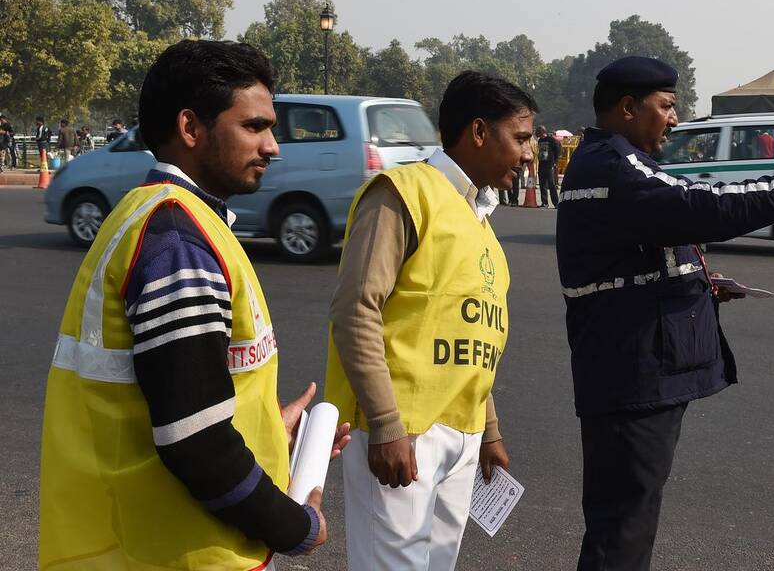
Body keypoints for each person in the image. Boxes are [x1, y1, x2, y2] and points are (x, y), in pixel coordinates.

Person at [556, 56, 774, 570]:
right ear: (626, 108)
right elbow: (708, 206)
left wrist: (697, 282)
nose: (676, 118)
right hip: (632, 375)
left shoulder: (607, 162)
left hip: (627, 369)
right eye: (665, 106)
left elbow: (645, 249)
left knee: (627, 521)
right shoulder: (616, 167)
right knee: (622, 530)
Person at [39, 40, 351, 570]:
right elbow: (197, 444)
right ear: (191, 129)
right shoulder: (179, 243)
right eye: (254, 127)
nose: (273, 147)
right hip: (175, 554)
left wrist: (268, 427)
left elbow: (182, 396)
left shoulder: (165, 219)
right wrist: (299, 526)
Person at [325, 70, 536, 570]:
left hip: (459, 436)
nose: (530, 154)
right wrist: (385, 425)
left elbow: (469, 335)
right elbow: (356, 309)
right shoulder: (402, 192)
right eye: (522, 138)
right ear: (479, 132)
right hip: (404, 431)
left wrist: (488, 433)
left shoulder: (480, 221)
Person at [536, 125, 561, 208]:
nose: (536, 133)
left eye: (538, 131)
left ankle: (556, 203)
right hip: (541, 165)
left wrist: (555, 162)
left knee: (551, 184)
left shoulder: (551, 140)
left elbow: (557, 151)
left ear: (542, 131)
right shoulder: (539, 141)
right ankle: (545, 203)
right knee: (542, 184)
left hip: (549, 165)